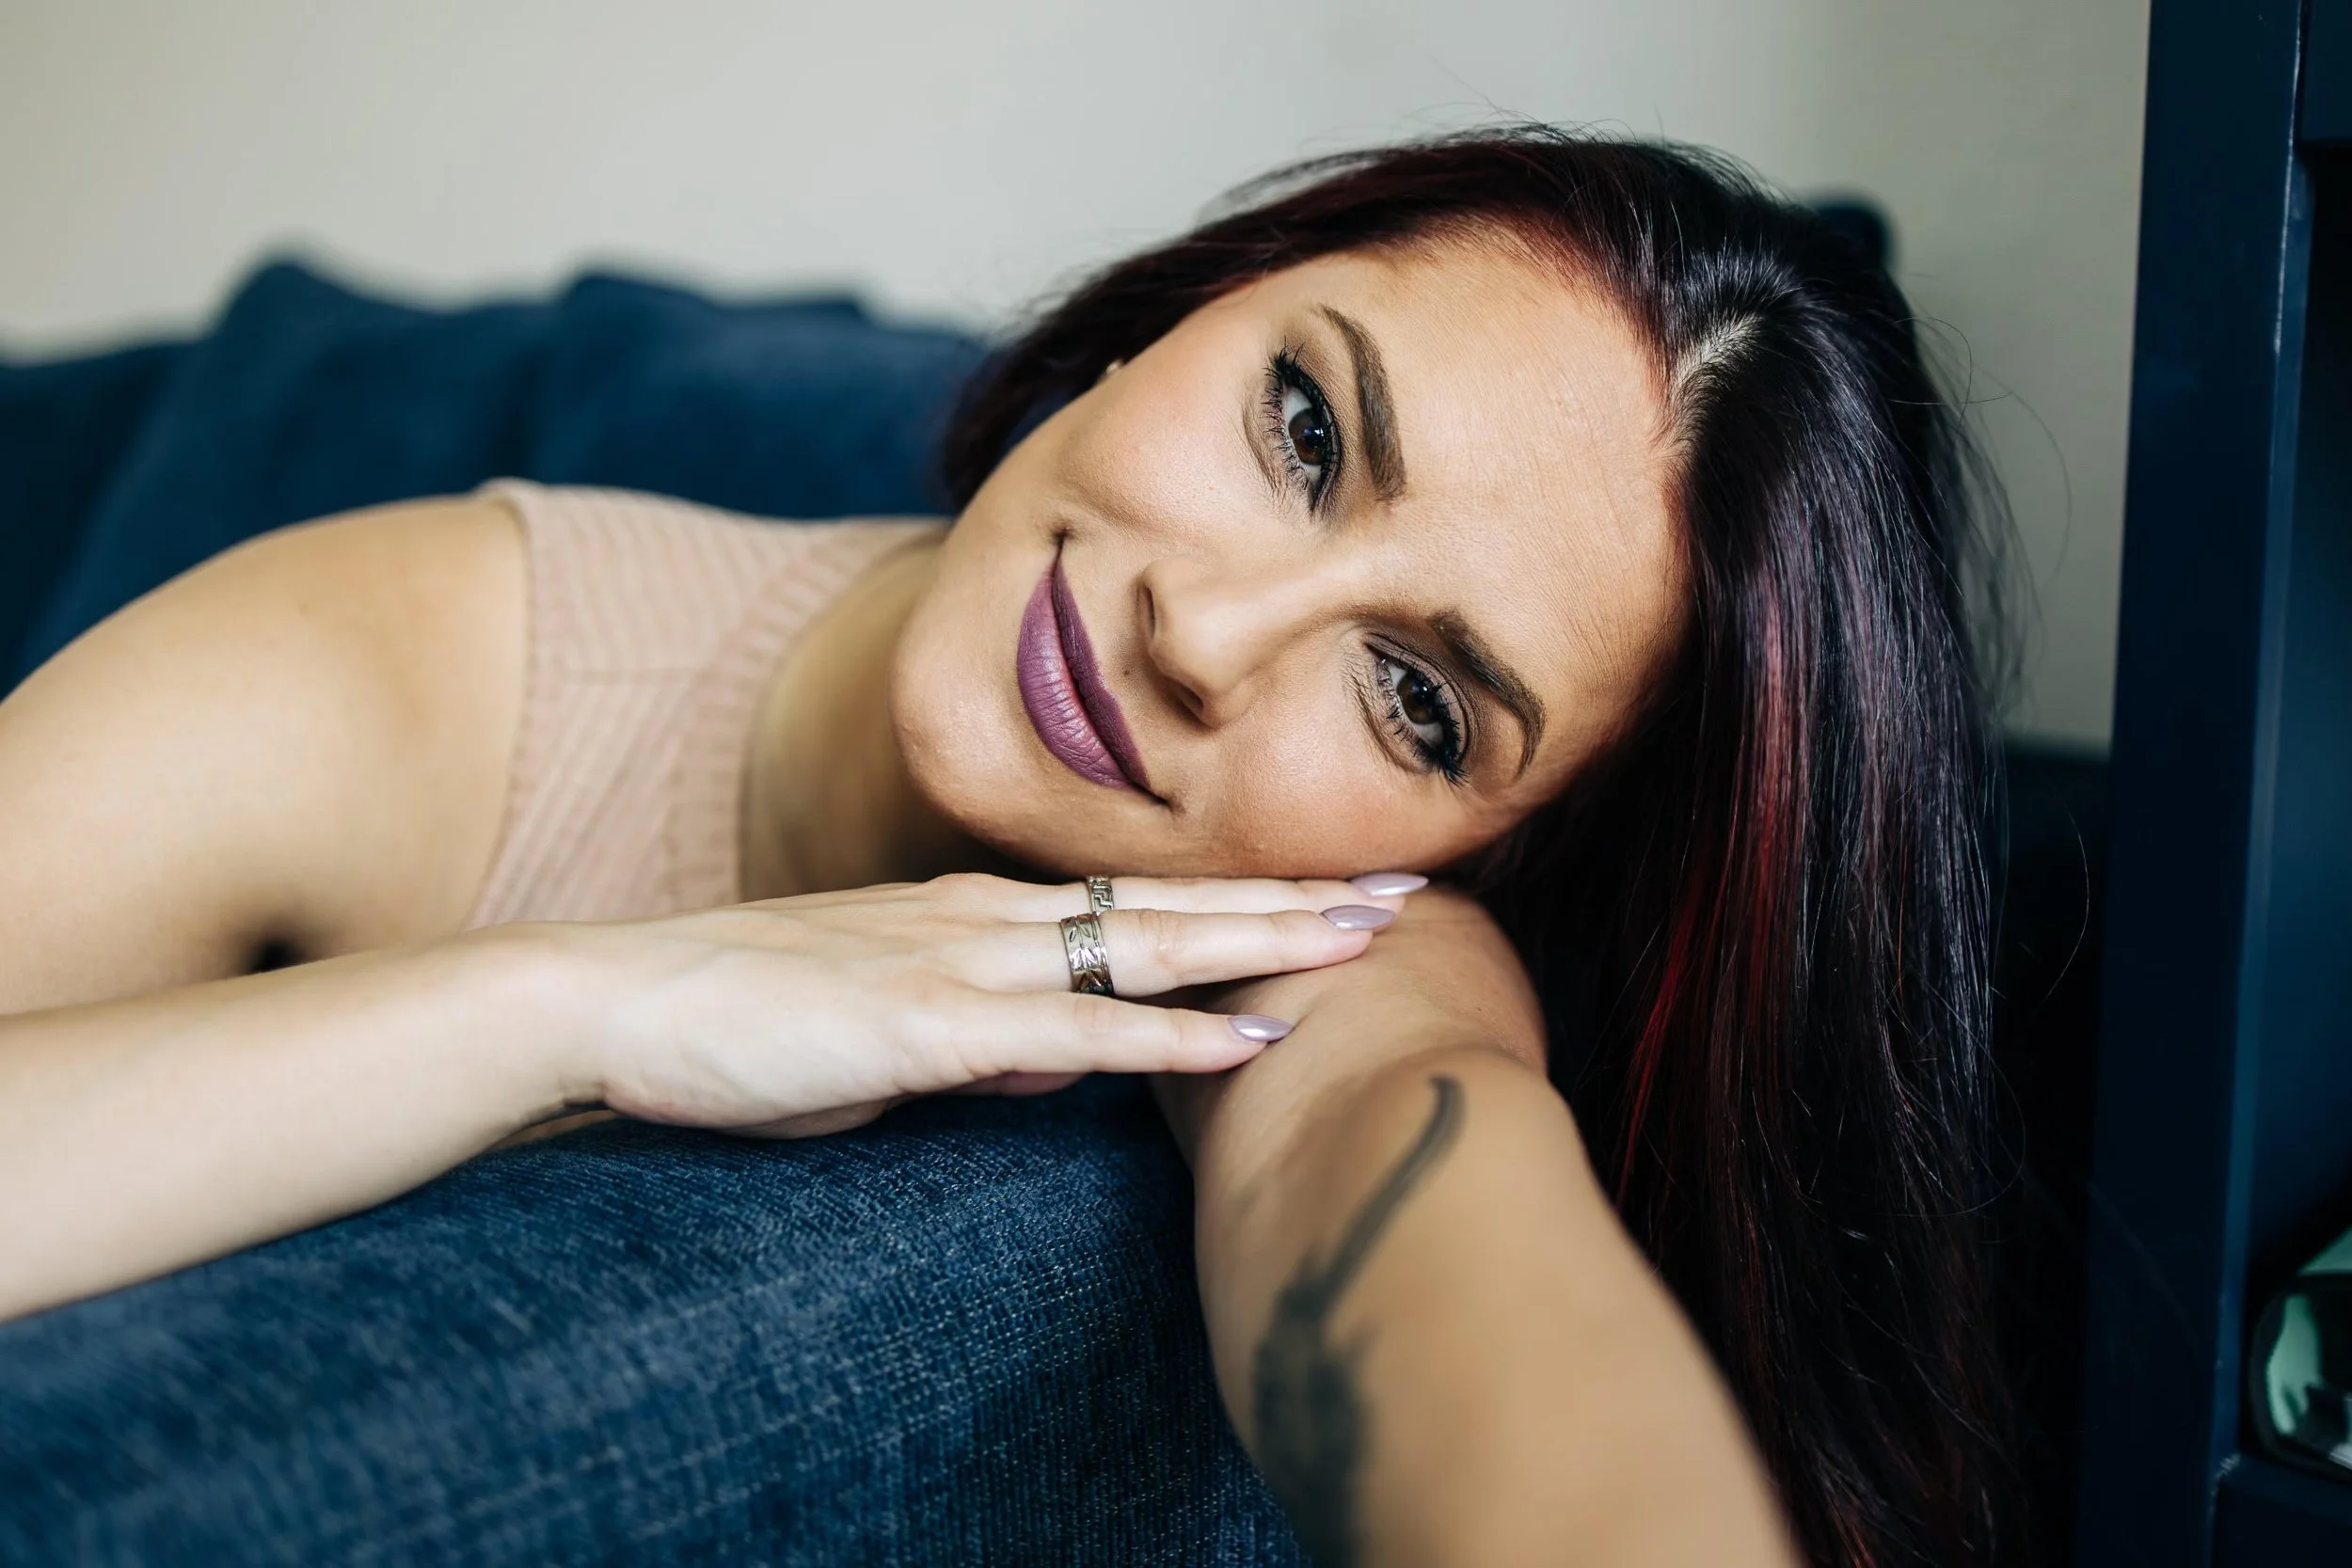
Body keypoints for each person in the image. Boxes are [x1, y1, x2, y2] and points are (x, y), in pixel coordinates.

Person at [0, 128, 2013, 1565]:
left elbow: (1428, 1219)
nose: (1200, 635)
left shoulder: (1335, 933)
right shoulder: (393, 663)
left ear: (1492, 859)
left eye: (1414, 701)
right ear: (1180, 313)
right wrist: (584, 998)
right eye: (1303, 430)